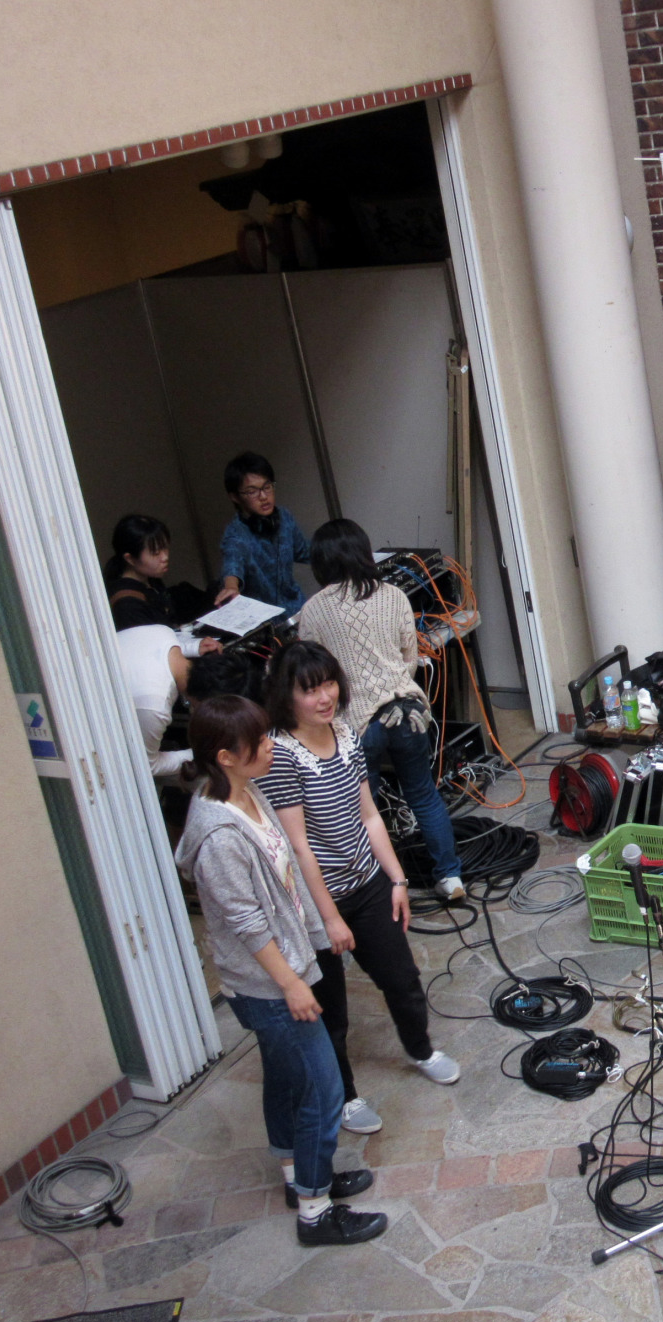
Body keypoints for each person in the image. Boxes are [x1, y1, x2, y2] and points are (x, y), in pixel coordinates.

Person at [173, 695, 387, 1246]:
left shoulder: (248, 792)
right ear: (225, 756)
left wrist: (317, 933)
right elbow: (247, 924)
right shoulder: (219, 836)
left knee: (288, 1079)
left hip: (284, 972)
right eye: (259, 741)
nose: (271, 746)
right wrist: (292, 984)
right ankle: (316, 1212)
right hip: (268, 987)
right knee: (323, 1090)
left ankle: (298, 1178)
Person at [261, 641, 460, 1137]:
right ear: (286, 696)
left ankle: (421, 1050)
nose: (324, 697)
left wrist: (397, 879)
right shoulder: (280, 755)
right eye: (310, 690)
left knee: (402, 979)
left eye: (329, 683)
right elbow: (298, 848)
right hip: (316, 903)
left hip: (368, 884)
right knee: (330, 1011)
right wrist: (328, 918)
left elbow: (369, 815)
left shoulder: (348, 735)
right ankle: (345, 1097)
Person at [298, 519, 465, 903]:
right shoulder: (393, 595)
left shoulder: (314, 610)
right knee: (423, 794)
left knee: (365, 811)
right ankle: (450, 878)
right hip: (407, 712)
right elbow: (409, 658)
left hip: (356, 725)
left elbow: (312, 673)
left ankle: (382, 888)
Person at [216, 453, 311, 617]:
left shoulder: (284, 517)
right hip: (265, 622)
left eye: (267, 487)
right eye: (252, 491)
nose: (264, 496)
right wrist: (231, 586)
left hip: (297, 610)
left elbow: (304, 551)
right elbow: (232, 564)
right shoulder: (235, 535)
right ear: (235, 497)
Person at [104, 513, 218, 640]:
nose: (165, 557)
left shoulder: (151, 580)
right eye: (156, 553)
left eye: (165, 548)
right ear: (130, 559)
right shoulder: (127, 605)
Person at [116, 623, 194, 778]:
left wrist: (195, 647)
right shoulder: (155, 705)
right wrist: (199, 754)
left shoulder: (163, 631)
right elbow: (147, 766)